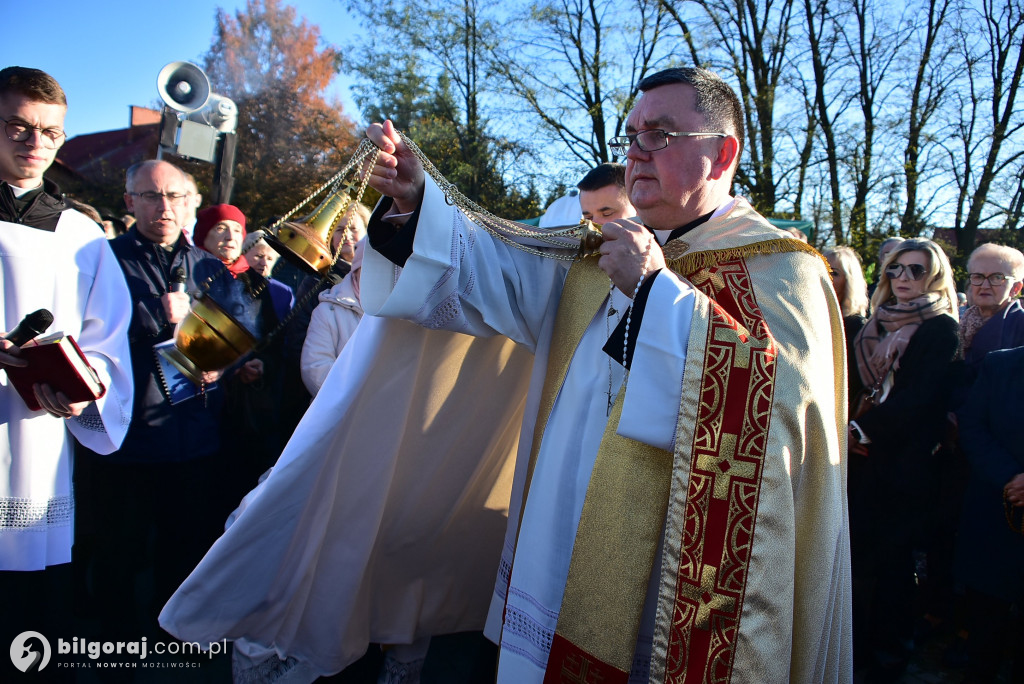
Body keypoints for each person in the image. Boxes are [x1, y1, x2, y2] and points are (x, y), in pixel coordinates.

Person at [360, 66, 851, 682]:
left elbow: (775, 419)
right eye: (632, 135)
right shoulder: (594, 249)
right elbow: (491, 273)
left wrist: (653, 292)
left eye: (661, 135)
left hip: (674, 576)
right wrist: (417, 203)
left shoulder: (784, 270)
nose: (636, 152)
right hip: (561, 529)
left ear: (723, 153)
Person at [0, 65, 133, 673]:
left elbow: (108, 339)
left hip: (39, 435)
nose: (35, 143)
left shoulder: (81, 234)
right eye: (18, 127)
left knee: (34, 609)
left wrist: (86, 391)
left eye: (50, 132)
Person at [75, 159, 226, 643]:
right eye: (151, 196)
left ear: (190, 202)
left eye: (174, 196)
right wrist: (155, 319)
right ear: (130, 202)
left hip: (193, 434)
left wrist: (219, 361)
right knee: (119, 549)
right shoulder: (103, 260)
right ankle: (115, 644)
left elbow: (230, 337)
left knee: (183, 547)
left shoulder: (208, 266)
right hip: (128, 437)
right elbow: (85, 337)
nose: (165, 207)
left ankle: (171, 634)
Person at [848, 237, 960, 678]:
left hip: (904, 466)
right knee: (860, 562)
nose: (903, 278)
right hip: (860, 460)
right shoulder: (874, 321)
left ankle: (889, 660)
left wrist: (861, 430)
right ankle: (853, 652)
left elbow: (922, 399)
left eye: (916, 270)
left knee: (894, 568)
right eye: (896, 268)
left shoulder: (941, 328)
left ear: (935, 276)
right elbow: (854, 385)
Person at [193, 203, 285, 507]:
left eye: (237, 229)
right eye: (220, 228)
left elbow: (273, 342)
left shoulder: (254, 282)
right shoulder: (191, 275)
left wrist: (261, 364)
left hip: (244, 412)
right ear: (203, 235)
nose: (230, 236)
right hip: (198, 404)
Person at [952, 346, 1024, 683]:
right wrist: (1011, 478)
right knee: (985, 625)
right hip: (995, 515)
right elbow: (972, 425)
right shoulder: (1001, 364)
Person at [300, 238, 364, 395]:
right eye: (371, 268)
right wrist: (361, 397)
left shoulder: (402, 312)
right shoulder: (328, 312)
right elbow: (316, 368)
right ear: (356, 271)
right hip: (347, 406)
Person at [826, 246, 870, 403]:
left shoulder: (856, 326)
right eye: (822, 269)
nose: (825, 276)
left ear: (849, 282)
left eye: (834, 273)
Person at [243, 230, 295, 321]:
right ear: (244, 253)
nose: (264, 263)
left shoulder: (283, 293)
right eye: (259, 256)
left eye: (270, 259)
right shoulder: (232, 279)